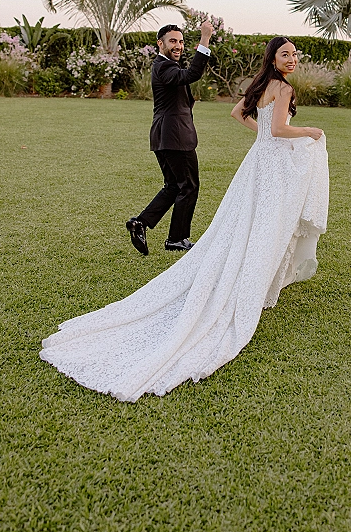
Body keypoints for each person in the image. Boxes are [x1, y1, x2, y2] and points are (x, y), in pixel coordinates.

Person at [40, 37, 329, 402]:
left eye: (294, 53)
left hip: (258, 163)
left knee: (244, 221)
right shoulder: (282, 87)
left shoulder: (260, 85)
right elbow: (279, 130)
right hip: (268, 164)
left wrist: (265, 141)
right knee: (263, 223)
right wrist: (309, 132)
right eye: (286, 53)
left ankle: (246, 268)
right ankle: (250, 277)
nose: (293, 58)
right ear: (273, 59)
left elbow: (239, 114)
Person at [126, 19, 214, 255]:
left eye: (181, 41)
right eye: (173, 41)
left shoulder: (166, 67)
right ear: (160, 44)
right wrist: (204, 39)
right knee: (189, 186)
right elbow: (193, 73)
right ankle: (177, 238)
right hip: (175, 136)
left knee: (174, 185)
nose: (179, 46)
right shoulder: (164, 67)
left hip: (166, 135)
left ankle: (140, 223)